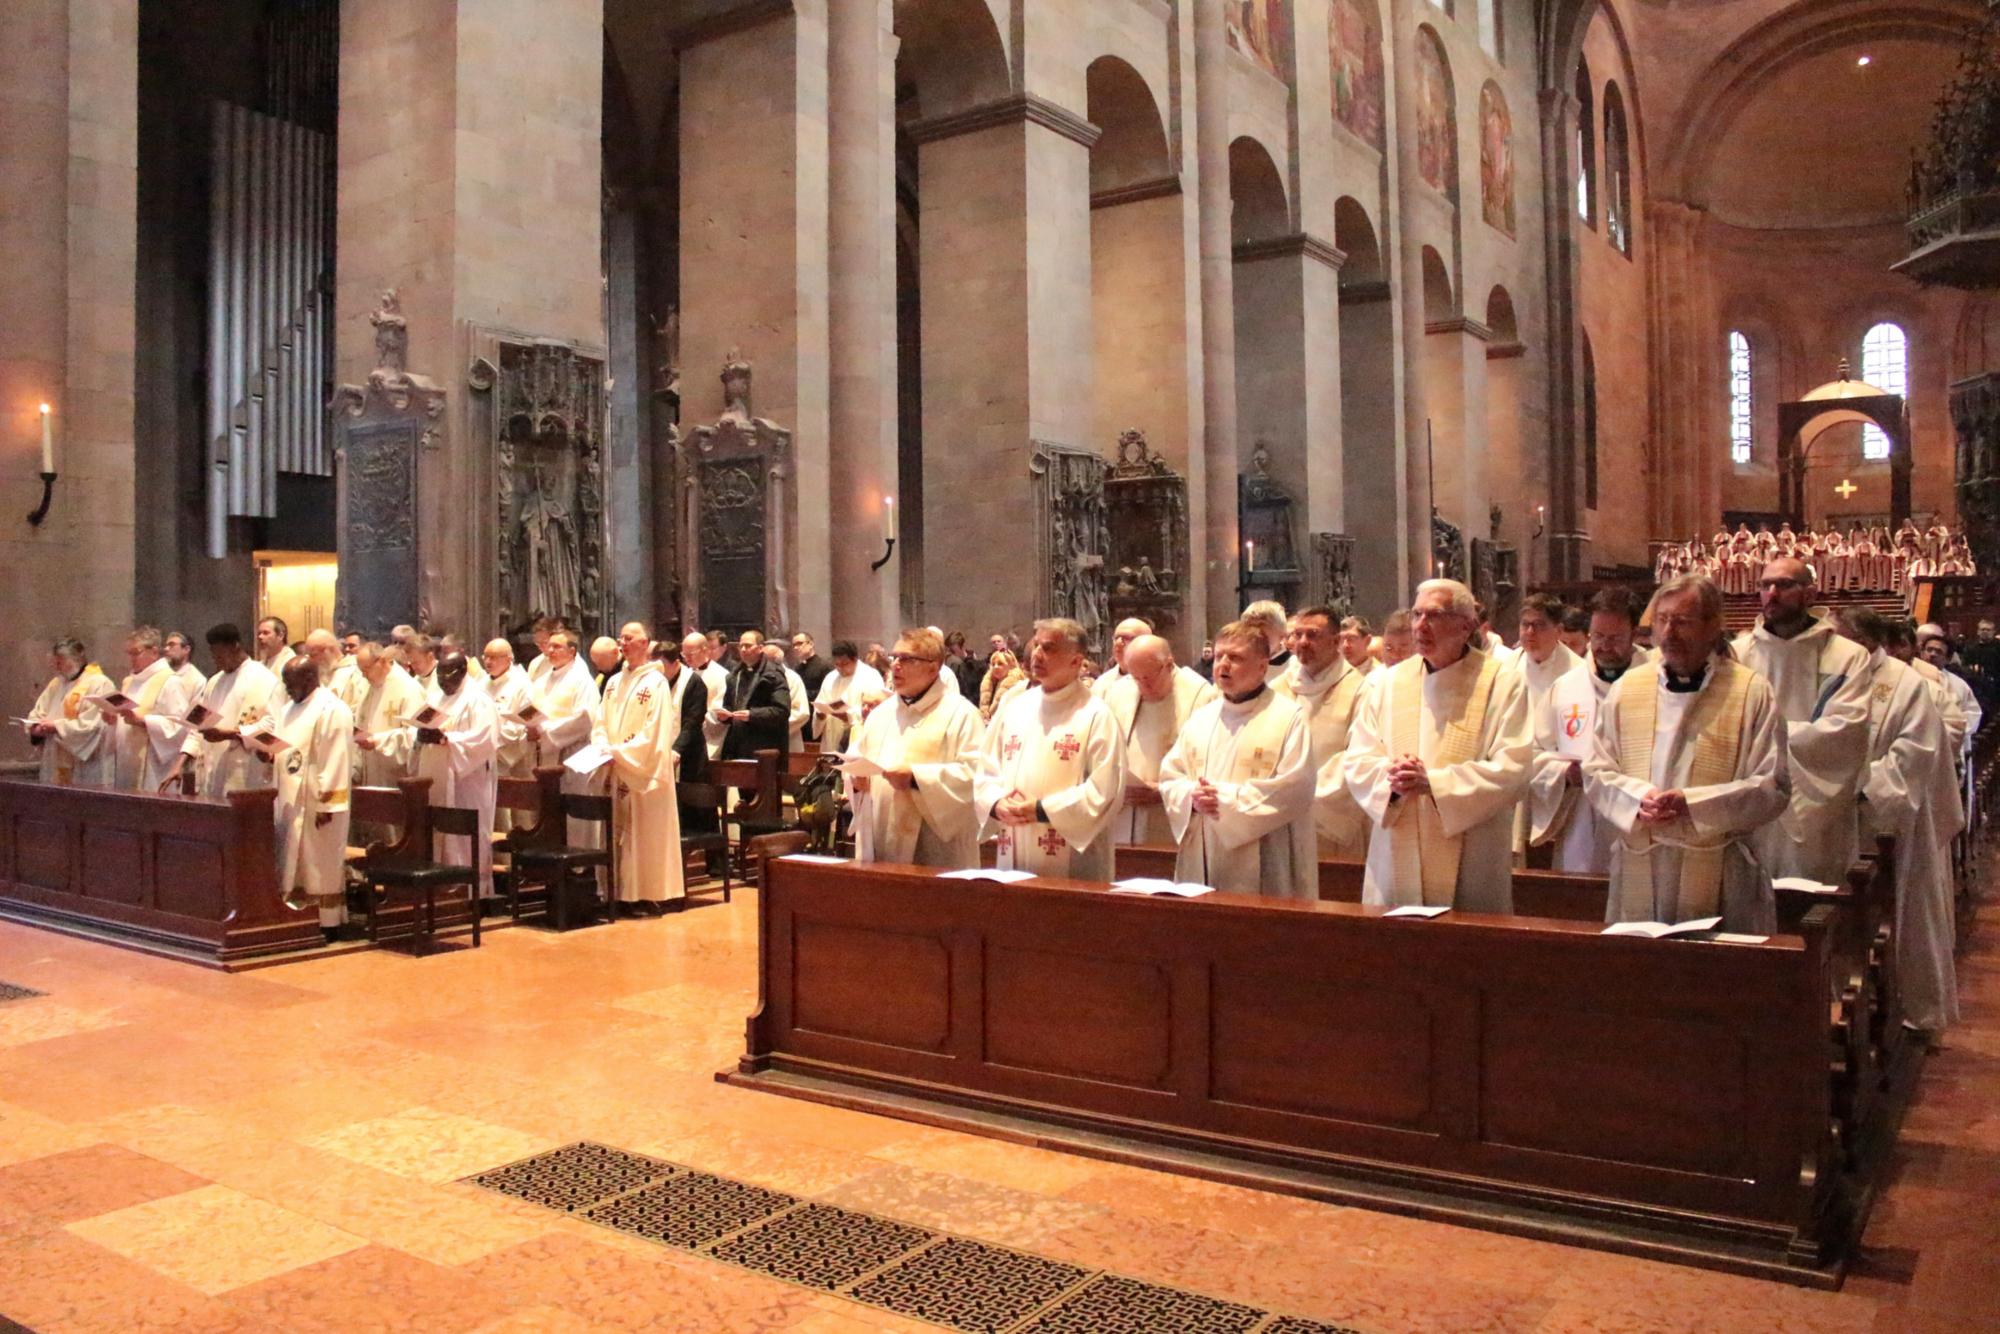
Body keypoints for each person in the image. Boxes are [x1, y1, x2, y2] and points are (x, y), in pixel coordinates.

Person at [1585, 576, 1789, 932]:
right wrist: (1636, 800)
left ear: (1713, 626)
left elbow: (1772, 786)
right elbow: (1597, 769)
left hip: (1722, 869)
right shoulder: (1627, 689)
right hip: (1641, 863)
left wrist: (1692, 805)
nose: (1669, 632)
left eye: (1682, 621)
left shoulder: (1750, 692)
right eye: (1662, 620)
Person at [1345, 580, 1534, 912]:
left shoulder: (1501, 682)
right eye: (1417, 614)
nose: (1420, 625)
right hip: (1396, 841)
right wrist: (1392, 778)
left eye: (1434, 615)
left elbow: (1514, 767)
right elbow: (1358, 758)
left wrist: (1435, 783)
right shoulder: (1389, 682)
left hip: (1473, 850)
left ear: (1466, 625)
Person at [1836, 610, 1961, 1030]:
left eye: (1842, 638)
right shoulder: (1834, 675)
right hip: (1832, 819)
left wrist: (1854, 784)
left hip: (1891, 823)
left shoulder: (1907, 685)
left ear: (1867, 641)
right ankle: (1842, 1008)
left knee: (1905, 914)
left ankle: (1913, 1008)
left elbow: (1915, 755)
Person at [1731, 557, 1873, 887]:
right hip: (1750, 805)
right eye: (1765, 585)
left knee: (1812, 906)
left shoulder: (1847, 656)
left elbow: (1845, 733)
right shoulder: (1738, 655)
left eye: (1783, 585)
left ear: (1810, 594)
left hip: (1816, 813)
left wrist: (1765, 737)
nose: (1772, 593)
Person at [1159, 621, 1315, 897]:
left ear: (1262, 666)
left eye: (1236, 658)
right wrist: (1191, 797)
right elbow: (1172, 775)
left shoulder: (1288, 717)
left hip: (1266, 854)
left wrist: (1223, 800)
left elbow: (1296, 788)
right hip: (1202, 851)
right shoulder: (1202, 717)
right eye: (1219, 656)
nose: (1223, 665)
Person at [975, 618, 1126, 878]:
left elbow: (1105, 790)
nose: (1037, 655)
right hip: (1012, 846)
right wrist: (996, 803)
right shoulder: (1015, 707)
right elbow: (986, 768)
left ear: (1077, 662)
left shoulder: (1096, 715)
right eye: (1036, 646)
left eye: (1049, 648)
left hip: (1071, 859)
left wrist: (1042, 810)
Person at [845, 627, 986, 866]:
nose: (896, 665)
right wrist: (857, 782)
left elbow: (975, 777)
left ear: (934, 666)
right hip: (883, 837)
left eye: (907, 659)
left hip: (937, 849)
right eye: (894, 657)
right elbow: (860, 760)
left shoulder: (961, 714)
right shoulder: (881, 714)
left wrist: (915, 779)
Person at [1528, 588, 1646, 873]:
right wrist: (1563, 773)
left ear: (1634, 634)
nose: (1604, 646)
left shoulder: (1656, 682)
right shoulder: (1567, 687)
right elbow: (1533, 753)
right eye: (1598, 637)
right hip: (1581, 819)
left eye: (1615, 638)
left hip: (1641, 817)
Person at [592, 622, 683, 915]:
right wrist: (603, 746)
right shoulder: (614, 682)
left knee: (641, 832)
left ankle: (646, 893)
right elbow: (601, 721)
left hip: (642, 771)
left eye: (629, 639)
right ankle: (617, 892)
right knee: (617, 830)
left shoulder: (655, 683)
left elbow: (655, 731)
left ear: (645, 644)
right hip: (616, 765)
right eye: (621, 638)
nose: (623, 643)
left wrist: (620, 752)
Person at [262, 656, 354, 936]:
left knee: (319, 863)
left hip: (319, 800)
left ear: (310, 678)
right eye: (286, 683)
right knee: (294, 860)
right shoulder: (288, 708)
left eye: (292, 683)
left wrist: (329, 803)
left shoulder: (332, 709)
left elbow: (337, 757)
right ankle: (296, 914)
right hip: (291, 799)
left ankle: (327, 922)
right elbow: (285, 750)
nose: (288, 689)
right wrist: (266, 754)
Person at [1272, 606, 1369, 858]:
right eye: (1298, 634)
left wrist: (1304, 797)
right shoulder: (1277, 687)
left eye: (1313, 635)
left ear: (1335, 641)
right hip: (1279, 816)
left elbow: (1358, 755)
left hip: (1328, 818)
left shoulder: (1360, 690)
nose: (1302, 642)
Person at [1104, 634, 1215, 847]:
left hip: (1174, 816)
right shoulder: (1119, 691)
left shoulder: (1202, 696)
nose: (1142, 684)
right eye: (1136, 677)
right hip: (1123, 814)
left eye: (1149, 676)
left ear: (1169, 664)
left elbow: (1210, 761)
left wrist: (1164, 790)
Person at [407, 649, 500, 902]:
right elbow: (419, 726)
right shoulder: (436, 697)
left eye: (446, 675)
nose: (441, 681)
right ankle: (443, 889)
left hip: (468, 781)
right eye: (438, 674)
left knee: (465, 833)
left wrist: (447, 739)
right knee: (440, 832)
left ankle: (472, 893)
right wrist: (420, 736)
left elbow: (485, 738)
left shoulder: (478, 699)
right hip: (436, 777)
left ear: (461, 672)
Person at [164, 625, 281, 797]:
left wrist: (229, 734)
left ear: (235, 647)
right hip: (214, 769)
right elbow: (198, 727)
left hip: (246, 772)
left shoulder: (264, 679)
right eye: (213, 655)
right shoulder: (214, 682)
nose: (216, 661)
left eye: (220, 655)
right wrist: (179, 764)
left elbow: (271, 727)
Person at [1512, 594, 1585, 858]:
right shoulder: (1505, 669)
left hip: (1560, 784)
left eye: (1539, 625)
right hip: (1513, 779)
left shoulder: (1580, 673)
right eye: (1525, 624)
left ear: (1559, 630)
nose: (1530, 632)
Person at [106, 626, 195, 792]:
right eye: (129, 653)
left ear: (154, 652)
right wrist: (112, 720)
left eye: (136, 652)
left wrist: (144, 721)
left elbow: (180, 726)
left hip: (153, 766)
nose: (131, 658)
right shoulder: (129, 681)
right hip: (126, 761)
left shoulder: (170, 681)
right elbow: (124, 720)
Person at [26, 637, 116, 787]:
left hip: (85, 763)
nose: (56, 666)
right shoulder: (56, 684)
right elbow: (38, 711)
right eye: (55, 661)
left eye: (60, 661)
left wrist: (57, 726)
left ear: (76, 659)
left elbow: (94, 725)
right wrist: (35, 728)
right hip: (54, 757)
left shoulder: (99, 683)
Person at [350, 642, 429, 787]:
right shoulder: (368, 688)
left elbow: (416, 736)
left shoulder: (408, 689)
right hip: (370, 775)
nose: (363, 675)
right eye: (361, 670)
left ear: (382, 661)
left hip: (397, 778)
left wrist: (378, 741)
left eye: (366, 669)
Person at [483, 639, 536, 793]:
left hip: (516, 752)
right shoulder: (481, 683)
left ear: (508, 659)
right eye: (485, 656)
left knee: (520, 809)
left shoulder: (522, 683)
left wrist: (495, 736)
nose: (487, 661)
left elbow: (528, 718)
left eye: (493, 657)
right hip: (488, 752)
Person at [812, 639, 883, 753]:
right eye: (837, 664)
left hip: (857, 738)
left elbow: (877, 708)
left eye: (844, 664)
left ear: (855, 659)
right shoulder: (830, 677)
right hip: (832, 735)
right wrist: (820, 715)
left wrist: (849, 715)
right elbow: (820, 703)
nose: (840, 669)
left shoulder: (870, 676)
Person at [689, 632, 732, 759]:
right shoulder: (686, 673)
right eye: (683, 654)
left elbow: (718, 711)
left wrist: (693, 721)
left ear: (704, 650)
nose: (686, 658)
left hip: (708, 737)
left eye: (690, 654)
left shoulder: (722, 675)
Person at [1090, 617, 1153, 699]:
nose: (1118, 643)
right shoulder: (1102, 682)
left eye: (1127, 638)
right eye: (1116, 638)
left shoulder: (1160, 680)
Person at [764, 643, 810, 751]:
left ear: (775, 661)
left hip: (788, 739)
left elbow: (801, 713)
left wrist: (771, 726)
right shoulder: (758, 677)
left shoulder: (792, 678)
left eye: (764, 659)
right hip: (759, 739)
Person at [789, 631, 833, 741]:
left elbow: (828, 692)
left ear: (811, 644)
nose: (796, 648)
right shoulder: (797, 669)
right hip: (802, 718)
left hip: (817, 717)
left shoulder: (825, 666)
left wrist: (805, 694)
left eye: (800, 643)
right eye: (794, 645)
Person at [1239, 601, 1291, 681]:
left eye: (1262, 635)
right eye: (1249, 635)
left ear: (1282, 633)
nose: (1255, 641)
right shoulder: (1240, 664)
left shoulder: (1294, 666)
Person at [978, 648, 1025, 722]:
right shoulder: (989, 682)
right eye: (993, 664)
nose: (995, 667)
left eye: (1000, 664)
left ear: (1010, 666)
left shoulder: (1017, 686)